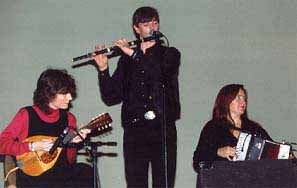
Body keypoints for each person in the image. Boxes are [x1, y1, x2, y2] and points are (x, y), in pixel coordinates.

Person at [93, 6, 181, 188]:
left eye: (155, 23)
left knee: (163, 183)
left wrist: (133, 53)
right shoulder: (126, 61)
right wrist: (103, 70)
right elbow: (111, 96)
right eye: (146, 24)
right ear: (136, 28)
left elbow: (159, 73)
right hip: (135, 130)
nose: (152, 28)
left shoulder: (170, 54)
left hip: (162, 128)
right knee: (135, 183)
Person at [0, 68, 93, 188]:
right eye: (64, 93)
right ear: (49, 93)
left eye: (70, 93)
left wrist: (73, 143)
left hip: (59, 176)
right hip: (33, 175)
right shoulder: (26, 115)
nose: (70, 97)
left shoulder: (69, 118)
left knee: (86, 171)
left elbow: (70, 160)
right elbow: (2, 144)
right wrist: (32, 146)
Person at [192, 84, 272, 172]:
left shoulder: (254, 128)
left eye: (244, 99)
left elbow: (273, 149)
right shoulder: (213, 127)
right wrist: (218, 152)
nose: (243, 102)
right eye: (238, 98)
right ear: (226, 100)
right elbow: (197, 160)